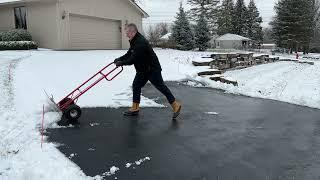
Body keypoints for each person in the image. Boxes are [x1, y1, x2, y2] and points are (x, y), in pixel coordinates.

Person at [114, 23, 181, 119]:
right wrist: (119, 59)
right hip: (143, 70)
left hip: (152, 69)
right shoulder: (134, 41)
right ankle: (135, 108)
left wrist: (121, 63)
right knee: (136, 85)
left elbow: (133, 59)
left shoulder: (140, 42)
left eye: (127, 32)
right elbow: (129, 53)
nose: (126, 34)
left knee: (161, 87)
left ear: (133, 32)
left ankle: (175, 105)